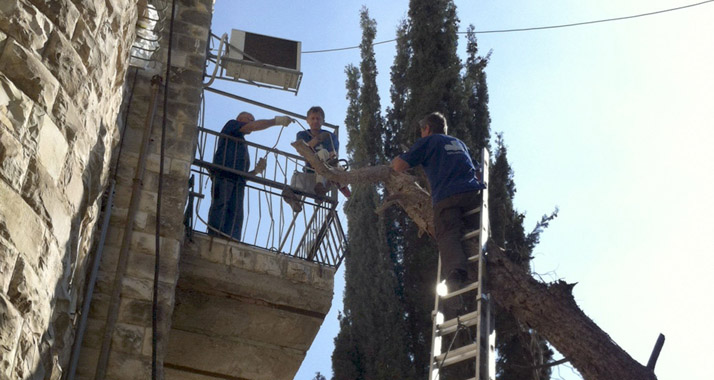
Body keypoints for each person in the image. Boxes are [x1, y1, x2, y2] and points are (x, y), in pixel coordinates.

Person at [391, 112, 485, 292]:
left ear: (427, 128)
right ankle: (498, 253)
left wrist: (395, 160)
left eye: (421, 130)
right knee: (477, 230)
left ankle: (456, 274)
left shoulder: (428, 142)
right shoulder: (459, 143)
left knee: (447, 232)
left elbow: (399, 166)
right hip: (471, 193)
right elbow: (477, 171)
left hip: (448, 196)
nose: (421, 134)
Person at [208, 112, 292, 239]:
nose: (252, 121)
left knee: (236, 213)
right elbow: (251, 126)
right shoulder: (232, 125)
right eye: (249, 119)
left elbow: (244, 175)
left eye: (253, 119)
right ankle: (214, 236)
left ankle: (232, 239)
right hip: (223, 175)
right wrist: (275, 121)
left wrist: (256, 171)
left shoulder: (242, 144)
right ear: (239, 119)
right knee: (221, 206)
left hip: (237, 182)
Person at [295, 106, 339, 197]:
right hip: (310, 172)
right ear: (307, 120)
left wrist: (332, 155)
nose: (315, 121)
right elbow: (301, 150)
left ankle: (320, 185)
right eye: (313, 118)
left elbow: (333, 154)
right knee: (296, 177)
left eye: (318, 119)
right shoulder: (302, 135)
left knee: (323, 153)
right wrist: (317, 139)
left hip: (326, 174)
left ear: (323, 121)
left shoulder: (330, 136)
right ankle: (295, 201)